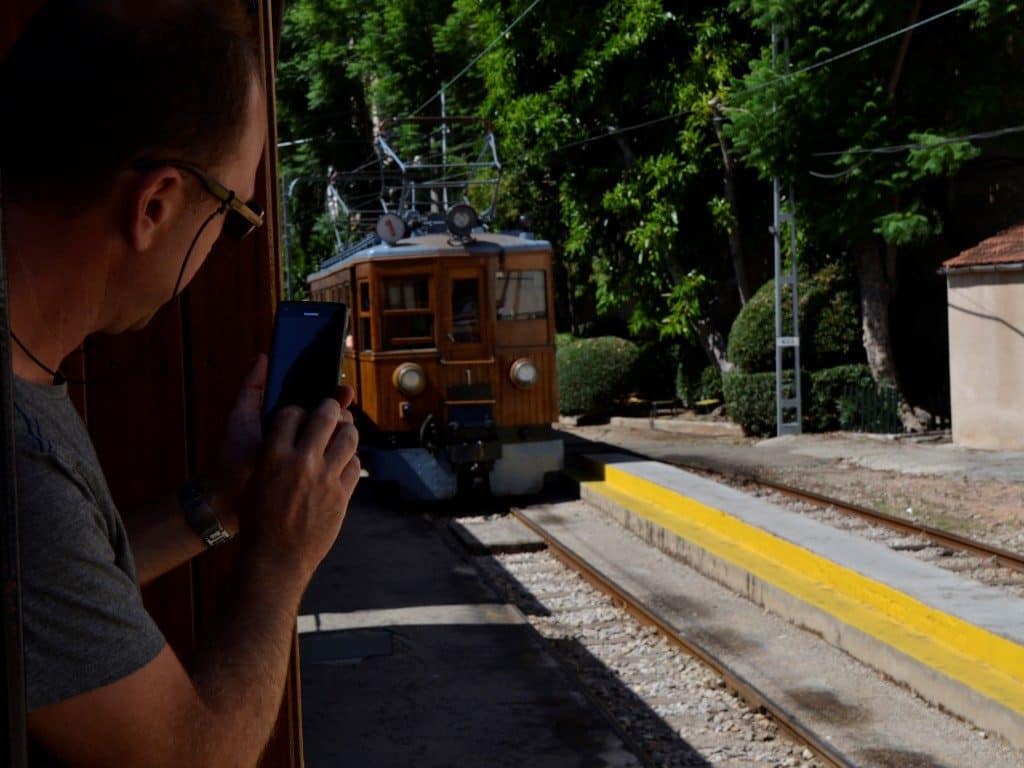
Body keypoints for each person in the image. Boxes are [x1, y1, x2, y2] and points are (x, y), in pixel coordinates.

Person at [0, 2, 361, 765]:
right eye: (234, 218)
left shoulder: (26, 386)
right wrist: (281, 559)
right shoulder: (20, 466)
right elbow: (193, 756)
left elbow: (58, 592)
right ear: (156, 205)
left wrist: (223, 503)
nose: (225, 249)